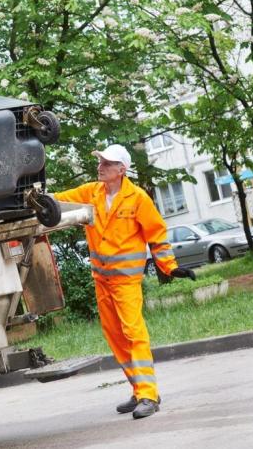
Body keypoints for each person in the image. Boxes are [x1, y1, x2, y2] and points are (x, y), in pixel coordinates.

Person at [53, 144, 195, 419]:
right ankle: (140, 388)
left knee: (134, 334)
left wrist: (170, 267)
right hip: (102, 281)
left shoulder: (138, 198)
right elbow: (57, 200)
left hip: (126, 283)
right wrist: (32, 197)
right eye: (100, 162)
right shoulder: (91, 193)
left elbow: (156, 235)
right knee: (116, 337)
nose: (100, 166)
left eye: (107, 163)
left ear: (122, 169)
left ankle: (148, 396)